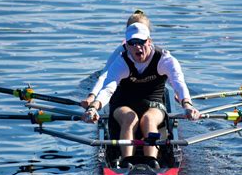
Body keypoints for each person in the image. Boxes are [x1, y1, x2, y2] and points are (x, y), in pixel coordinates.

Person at [82, 20, 200, 162]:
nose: (137, 47)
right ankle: (127, 162)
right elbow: (107, 89)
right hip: (123, 104)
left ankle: (151, 161)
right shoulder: (121, 62)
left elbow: (179, 84)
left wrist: (187, 105)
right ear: (127, 45)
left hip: (153, 103)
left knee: (149, 119)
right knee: (130, 118)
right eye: (132, 43)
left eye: (141, 42)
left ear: (149, 41)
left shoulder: (165, 59)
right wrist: (94, 107)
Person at [80, 10, 151, 109]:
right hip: (123, 89)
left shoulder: (156, 53)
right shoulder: (121, 52)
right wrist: (92, 96)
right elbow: (105, 76)